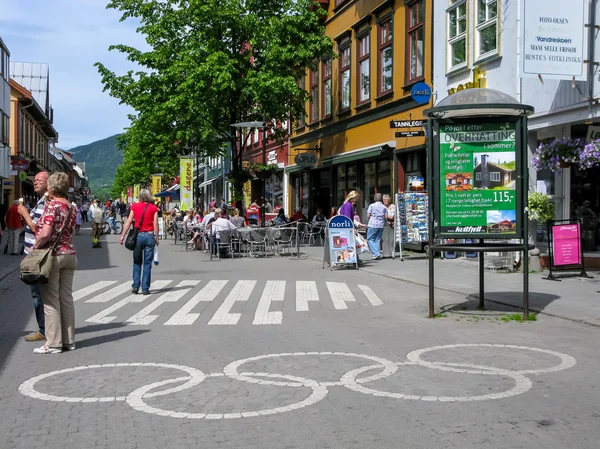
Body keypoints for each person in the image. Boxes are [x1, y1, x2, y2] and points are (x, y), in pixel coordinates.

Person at [25, 172, 77, 354]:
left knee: (51, 301)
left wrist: (35, 247)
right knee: (66, 299)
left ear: (52, 187)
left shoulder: (52, 206)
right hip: (70, 254)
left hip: (53, 256)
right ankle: (69, 340)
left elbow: (46, 233)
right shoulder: (71, 207)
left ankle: (53, 343)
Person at [19, 171, 49, 342]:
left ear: (48, 183)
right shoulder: (41, 201)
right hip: (34, 253)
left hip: (36, 255)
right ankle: (46, 328)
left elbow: (38, 229)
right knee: (39, 294)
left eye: (39, 180)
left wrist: (24, 213)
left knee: (39, 294)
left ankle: (44, 329)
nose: (35, 182)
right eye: (35, 180)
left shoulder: (46, 202)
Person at [120, 189, 159, 295]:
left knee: (137, 262)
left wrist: (123, 235)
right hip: (150, 235)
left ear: (140, 196)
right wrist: (157, 237)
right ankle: (145, 288)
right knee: (147, 264)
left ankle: (136, 285)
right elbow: (155, 224)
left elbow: (128, 221)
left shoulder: (135, 207)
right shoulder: (153, 208)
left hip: (138, 237)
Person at [366, 193, 388, 260]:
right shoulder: (384, 207)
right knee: (377, 240)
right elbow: (386, 217)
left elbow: (368, 215)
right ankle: (377, 254)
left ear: (374, 198)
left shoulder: (372, 205)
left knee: (370, 239)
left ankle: (376, 254)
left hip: (372, 224)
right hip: (381, 225)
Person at [381, 194, 396, 258]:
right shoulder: (382, 207)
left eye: (385, 199)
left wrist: (390, 218)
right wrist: (388, 217)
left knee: (392, 239)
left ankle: (392, 253)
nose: (384, 201)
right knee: (385, 239)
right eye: (383, 200)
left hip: (392, 225)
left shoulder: (393, 206)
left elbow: (395, 215)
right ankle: (385, 254)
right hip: (385, 225)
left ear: (389, 200)